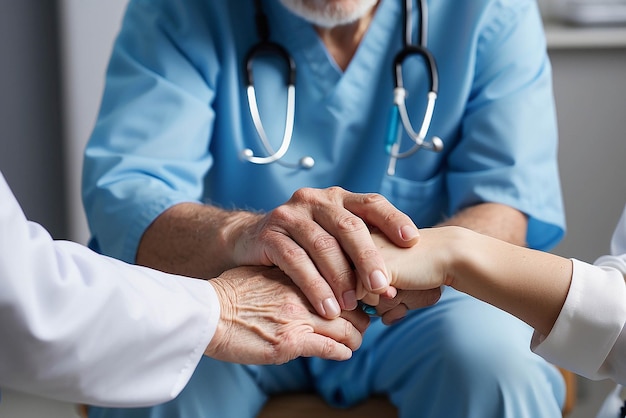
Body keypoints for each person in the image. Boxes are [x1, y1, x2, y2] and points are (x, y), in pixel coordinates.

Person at [82, 0, 566, 417]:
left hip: (415, 307)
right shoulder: (181, 9)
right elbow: (132, 200)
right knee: (159, 372)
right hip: (234, 290)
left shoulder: (488, 10)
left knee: (498, 365)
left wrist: (391, 264)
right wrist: (244, 234)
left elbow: (504, 207)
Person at [0, 170, 368, 407]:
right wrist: (224, 307)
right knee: (184, 381)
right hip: (221, 300)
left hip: (390, 325)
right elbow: (23, 296)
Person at [369, 205, 626, 385]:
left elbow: (506, 205)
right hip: (386, 280)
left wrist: (452, 249)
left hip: (426, 303)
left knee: (501, 363)